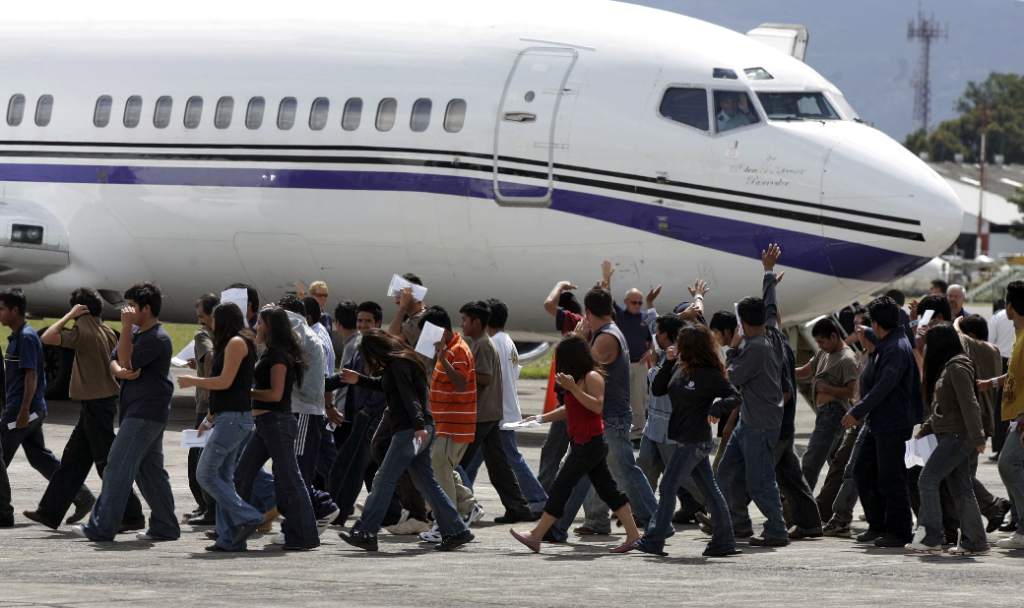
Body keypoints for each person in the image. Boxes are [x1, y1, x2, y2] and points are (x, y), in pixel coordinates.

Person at [337, 329, 474, 552]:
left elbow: (410, 399)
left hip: (410, 431)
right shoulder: (404, 361)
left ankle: (366, 531)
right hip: (421, 428)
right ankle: (457, 530)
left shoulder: (397, 366)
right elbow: (390, 386)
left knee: (383, 479)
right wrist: (360, 379)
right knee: (426, 483)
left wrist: (418, 427)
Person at [25, 288, 145, 530]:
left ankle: (132, 515)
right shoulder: (108, 331)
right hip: (101, 403)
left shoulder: (84, 332)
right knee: (73, 461)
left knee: (106, 464)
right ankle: (50, 511)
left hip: (96, 405)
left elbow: (47, 337)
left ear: (80, 309)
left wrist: (68, 315)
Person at [545, 286, 658, 543]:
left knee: (625, 473)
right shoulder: (607, 332)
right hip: (604, 418)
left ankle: (657, 521)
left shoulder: (605, 337)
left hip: (610, 419)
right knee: (578, 473)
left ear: (588, 311)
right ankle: (557, 526)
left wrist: (576, 339)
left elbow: (583, 371)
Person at [509, 335, 641, 554]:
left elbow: (597, 407)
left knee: (561, 487)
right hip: (583, 443)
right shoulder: (576, 380)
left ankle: (536, 535)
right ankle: (634, 535)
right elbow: (569, 409)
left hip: (590, 444)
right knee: (609, 491)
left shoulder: (592, 376)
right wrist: (540, 418)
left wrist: (574, 389)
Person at [75, 283, 180, 542]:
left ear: (146, 308)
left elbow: (125, 359)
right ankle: (165, 525)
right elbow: (115, 359)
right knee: (150, 473)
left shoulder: (156, 338)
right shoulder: (137, 333)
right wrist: (119, 371)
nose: (126, 311)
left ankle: (102, 527)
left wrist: (124, 333)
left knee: (117, 468)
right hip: (140, 412)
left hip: (145, 414)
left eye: (131, 306)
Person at [0, 288, 96, 523]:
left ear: (15, 310)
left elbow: (31, 375)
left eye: (2, 308)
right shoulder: (17, 337)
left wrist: (23, 411)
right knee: (39, 457)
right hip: (26, 410)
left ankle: (3, 512)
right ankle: (81, 496)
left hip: (23, 411)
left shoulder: (27, 337)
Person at [715, 248, 790, 547]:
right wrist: (768, 273)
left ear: (741, 323)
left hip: (759, 423)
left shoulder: (755, 348)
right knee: (725, 471)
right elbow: (770, 307)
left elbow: (730, 378)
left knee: (759, 482)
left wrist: (731, 348)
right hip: (753, 419)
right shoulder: (771, 331)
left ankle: (776, 529)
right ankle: (734, 521)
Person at [177, 302, 262, 552]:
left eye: (213, 318)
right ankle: (230, 537)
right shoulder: (232, 343)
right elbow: (231, 388)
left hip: (235, 419)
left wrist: (193, 380)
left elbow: (225, 383)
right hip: (228, 416)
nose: (209, 322)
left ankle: (247, 515)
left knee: (205, 474)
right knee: (224, 477)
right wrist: (209, 419)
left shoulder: (236, 343)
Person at [234, 305, 320, 551]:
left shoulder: (278, 356)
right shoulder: (269, 352)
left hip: (277, 423)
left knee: (290, 480)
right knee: (242, 474)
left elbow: (275, 394)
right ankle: (231, 527)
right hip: (265, 424)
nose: (256, 327)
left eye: (259, 323)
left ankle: (305, 536)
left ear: (270, 327)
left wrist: (244, 391)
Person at [841, 296, 922, 548]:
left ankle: (898, 531)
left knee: (891, 477)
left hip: (893, 423)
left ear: (877, 324)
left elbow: (884, 387)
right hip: (879, 422)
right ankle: (878, 525)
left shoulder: (896, 349)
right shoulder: (890, 340)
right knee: (862, 471)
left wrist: (857, 411)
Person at [906, 323, 988, 555]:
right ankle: (975, 541)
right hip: (950, 434)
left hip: (956, 436)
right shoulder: (950, 367)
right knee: (961, 487)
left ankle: (932, 537)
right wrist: (928, 427)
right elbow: (945, 407)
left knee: (927, 480)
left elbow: (969, 403)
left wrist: (978, 436)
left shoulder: (957, 366)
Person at [457, 301, 535, 523]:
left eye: (465, 320)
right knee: (498, 465)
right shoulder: (487, 342)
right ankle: (518, 507)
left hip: (483, 413)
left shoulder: (483, 344)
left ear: (478, 322)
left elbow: (485, 377)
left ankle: (462, 505)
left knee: (457, 462)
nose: (462, 324)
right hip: (493, 413)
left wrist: (460, 375)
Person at [277, 296, 340, 537]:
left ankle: (318, 510)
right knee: (291, 471)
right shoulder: (303, 335)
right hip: (298, 410)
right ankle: (307, 516)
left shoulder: (301, 336)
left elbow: (312, 383)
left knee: (297, 471)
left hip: (303, 411)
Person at [419, 306, 481, 542]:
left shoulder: (458, 351)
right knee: (444, 469)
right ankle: (467, 505)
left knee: (439, 469)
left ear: (441, 331)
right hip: (444, 422)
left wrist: (442, 358)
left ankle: (445, 522)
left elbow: (461, 383)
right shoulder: (448, 349)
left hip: (453, 425)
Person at [486, 297, 548, 516]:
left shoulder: (494, 343)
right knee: (480, 459)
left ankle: (538, 499)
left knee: (511, 458)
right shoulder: (506, 341)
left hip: (498, 413)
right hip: (503, 410)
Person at [981, 281, 1024, 550]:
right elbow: (1017, 374)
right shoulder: (1019, 334)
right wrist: (993, 382)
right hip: (1015, 414)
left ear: (1010, 306)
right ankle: (1019, 525)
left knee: (1008, 464)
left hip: (1022, 416)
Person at [797, 317, 859, 490]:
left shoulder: (847, 359)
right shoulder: (824, 352)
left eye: (822, 341)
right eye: (817, 342)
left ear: (833, 336)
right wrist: (782, 369)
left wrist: (828, 389)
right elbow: (804, 371)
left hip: (834, 414)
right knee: (836, 461)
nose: (820, 345)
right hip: (824, 413)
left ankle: (800, 507)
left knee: (811, 461)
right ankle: (839, 498)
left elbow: (851, 392)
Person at [600, 260, 657, 442]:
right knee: (619, 399)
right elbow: (607, 299)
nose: (638, 305)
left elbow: (654, 339)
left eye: (640, 302)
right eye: (634, 302)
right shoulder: (620, 315)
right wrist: (607, 278)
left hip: (639, 365)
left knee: (639, 402)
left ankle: (637, 434)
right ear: (626, 302)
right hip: (622, 365)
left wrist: (650, 352)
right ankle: (618, 430)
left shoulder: (644, 318)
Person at [184, 293, 218, 526]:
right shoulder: (228, 333)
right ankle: (207, 507)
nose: (199, 320)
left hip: (206, 406)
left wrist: (206, 386)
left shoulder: (203, 334)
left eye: (202, 316)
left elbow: (211, 357)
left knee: (196, 459)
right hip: (221, 404)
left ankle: (206, 507)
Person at [988, 300, 1015, 460]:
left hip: (1002, 362)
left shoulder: (997, 317)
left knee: (1000, 410)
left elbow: (990, 341)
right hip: (1016, 359)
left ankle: (999, 448)